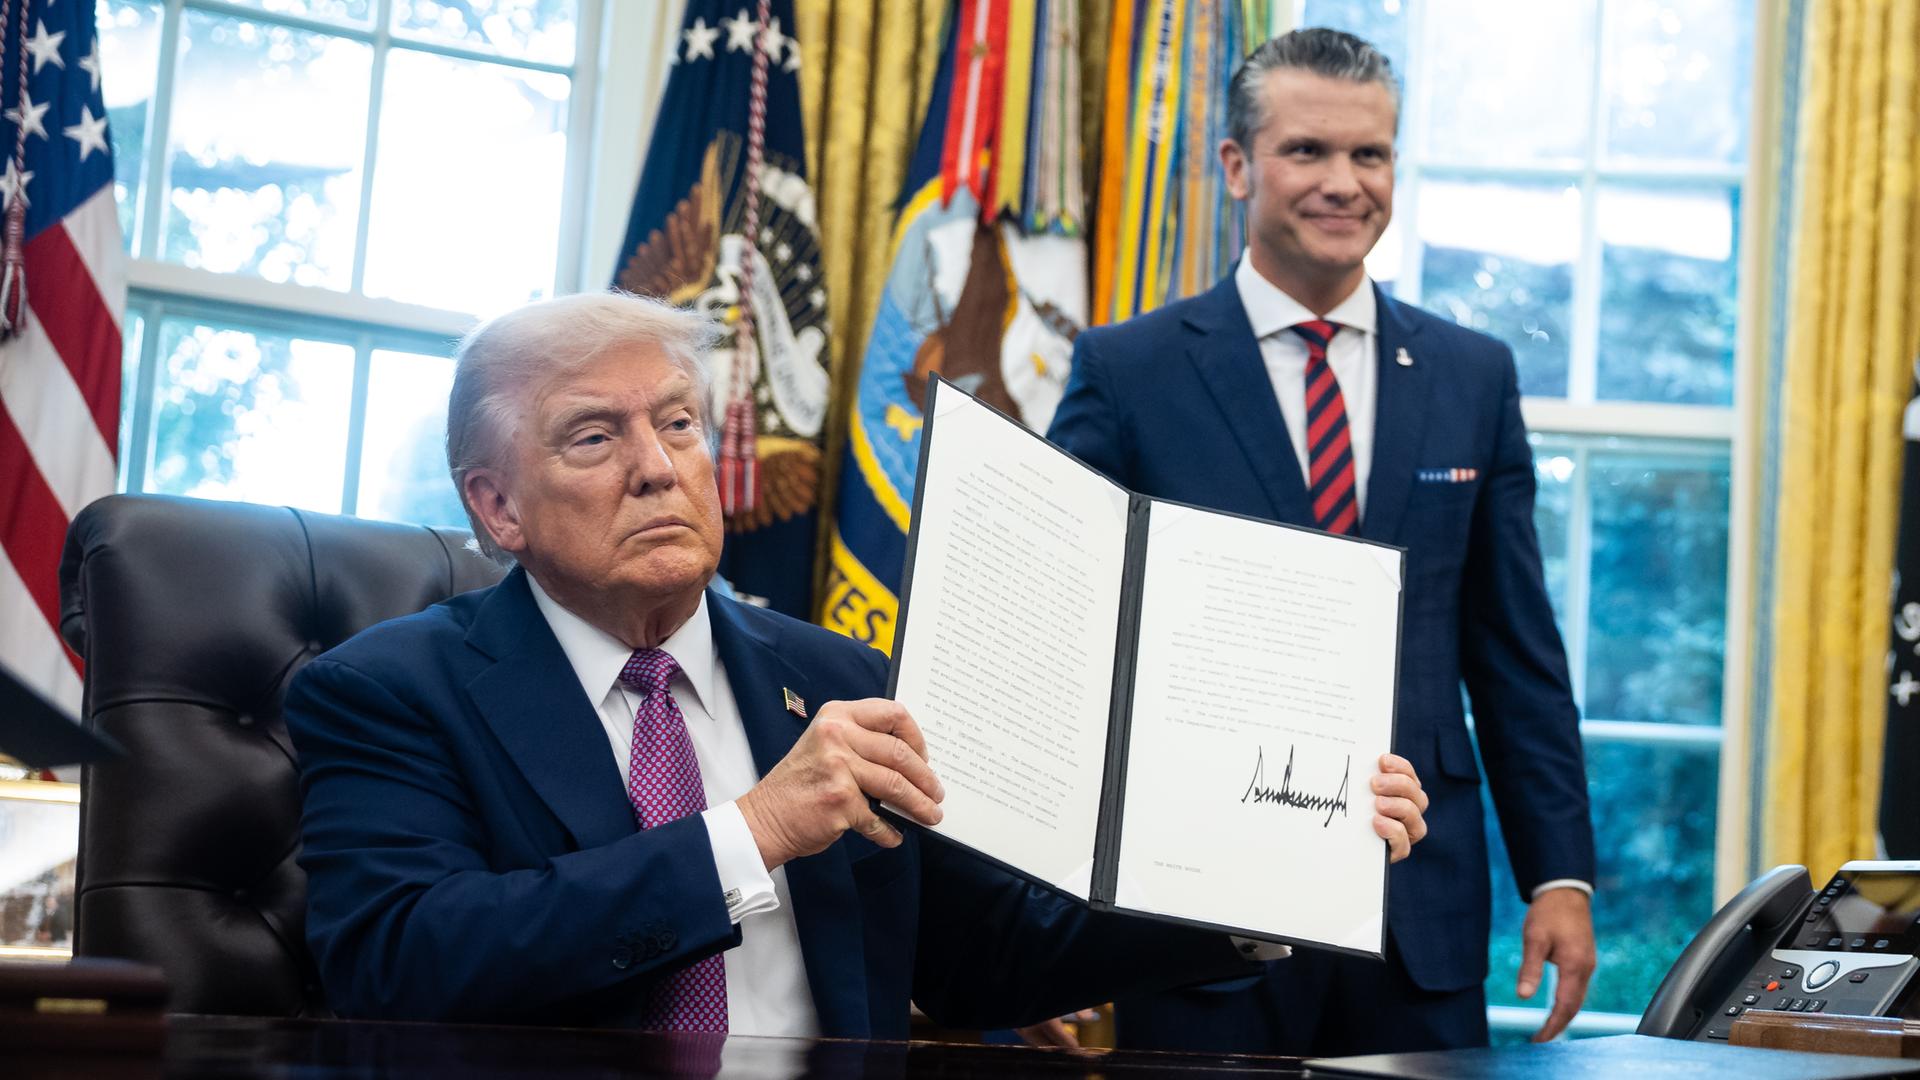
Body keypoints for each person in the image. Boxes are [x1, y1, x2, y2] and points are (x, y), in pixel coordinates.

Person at [283, 291, 1433, 1037]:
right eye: (595, 436)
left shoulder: (837, 674)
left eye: (678, 425)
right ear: (495, 507)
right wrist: (755, 832)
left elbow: (990, 961)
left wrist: (1269, 875)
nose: (658, 468)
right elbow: (399, 965)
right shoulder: (388, 692)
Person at [1046, 28, 1597, 1055]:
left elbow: (1516, 656)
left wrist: (1558, 875)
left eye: (1371, 155)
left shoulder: (1475, 376)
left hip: (1418, 914)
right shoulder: (1129, 371)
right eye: (1308, 152)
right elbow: (1061, 644)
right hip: (1192, 916)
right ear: (1237, 166)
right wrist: (1038, 911)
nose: (1345, 183)